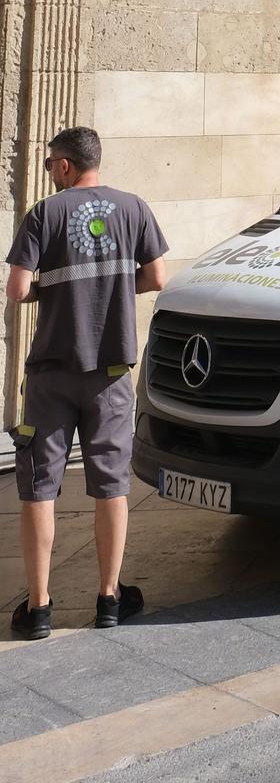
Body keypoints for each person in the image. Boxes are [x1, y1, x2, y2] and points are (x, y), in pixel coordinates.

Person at [5, 126, 168, 640]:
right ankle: (109, 599)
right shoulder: (135, 208)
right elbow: (158, 277)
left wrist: (46, 292)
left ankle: (39, 608)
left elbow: (16, 289)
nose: (51, 168)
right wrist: (116, 284)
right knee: (110, 486)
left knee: (39, 488)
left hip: (52, 374)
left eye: (52, 161)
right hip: (111, 374)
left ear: (66, 166)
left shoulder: (44, 214)